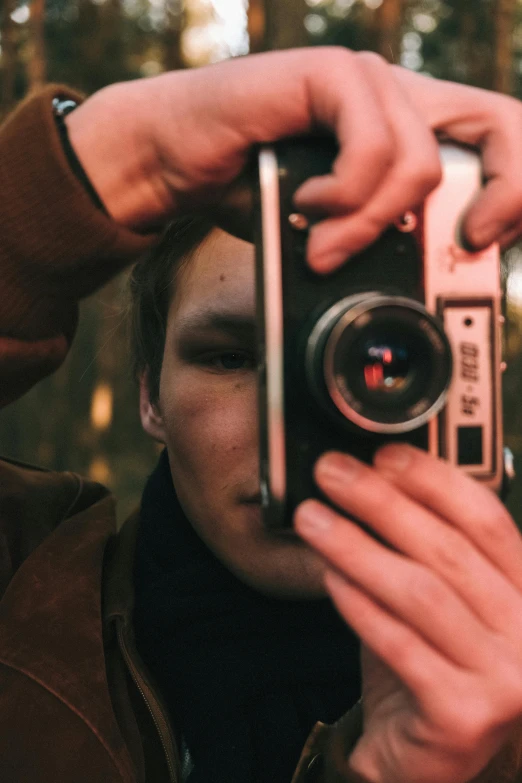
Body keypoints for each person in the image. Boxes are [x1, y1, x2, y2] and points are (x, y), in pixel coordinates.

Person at [2, 46, 522, 783]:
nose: (300, 416)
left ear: (470, 382)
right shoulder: (20, 581)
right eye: (231, 357)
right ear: (150, 394)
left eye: (381, 362)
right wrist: (113, 158)